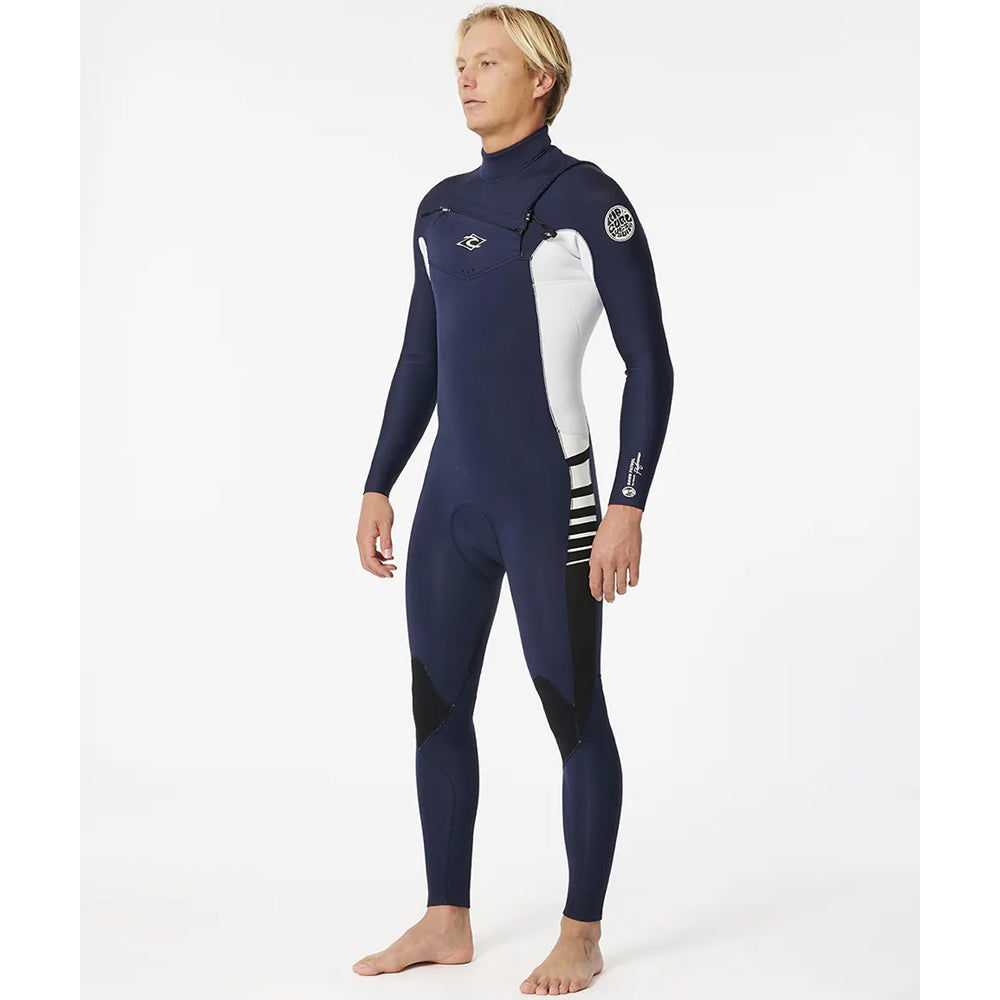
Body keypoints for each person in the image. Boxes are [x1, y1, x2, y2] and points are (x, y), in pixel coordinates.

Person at [353, 5, 674, 994]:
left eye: (488, 62)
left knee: (571, 708)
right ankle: (446, 918)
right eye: (460, 62)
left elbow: (650, 364)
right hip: (450, 500)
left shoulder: (587, 198)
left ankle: (581, 931)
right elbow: (420, 359)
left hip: (551, 499)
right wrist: (378, 480)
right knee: (436, 704)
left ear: (541, 79)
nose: (465, 77)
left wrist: (627, 504)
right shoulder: (438, 207)